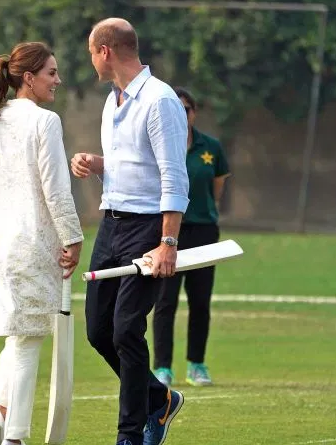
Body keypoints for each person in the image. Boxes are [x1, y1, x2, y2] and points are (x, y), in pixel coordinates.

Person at [70, 18, 189, 445]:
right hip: (111, 225)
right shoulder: (112, 100)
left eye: (90, 52)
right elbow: (130, 163)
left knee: (125, 330)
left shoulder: (160, 101)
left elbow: (175, 176)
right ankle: (160, 400)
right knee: (99, 331)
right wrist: (95, 163)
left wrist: (168, 243)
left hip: (148, 229)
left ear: (105, 51)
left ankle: (130, 435)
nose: (90, 60)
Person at [0, 42, 84, 445]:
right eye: (51, 72)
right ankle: (15, 436)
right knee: (29, 340)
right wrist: (74, 236)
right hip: (35, 245)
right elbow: (56, 188)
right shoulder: (44, 122)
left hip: (5, 244)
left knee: (22, 333)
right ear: (28, 78)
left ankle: (0, 411)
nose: (58, 80)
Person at [152, 87, 231, 388]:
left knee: (200, 301)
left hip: (203, 230)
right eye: (176, 108)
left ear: (194, 113)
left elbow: (217, 188)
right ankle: (162, 368)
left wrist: (203, 212)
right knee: (165, 301)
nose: (182, 115)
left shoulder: (210, 147)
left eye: (187, 109)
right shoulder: (159, 144)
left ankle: (197, 364)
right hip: (168, 231)